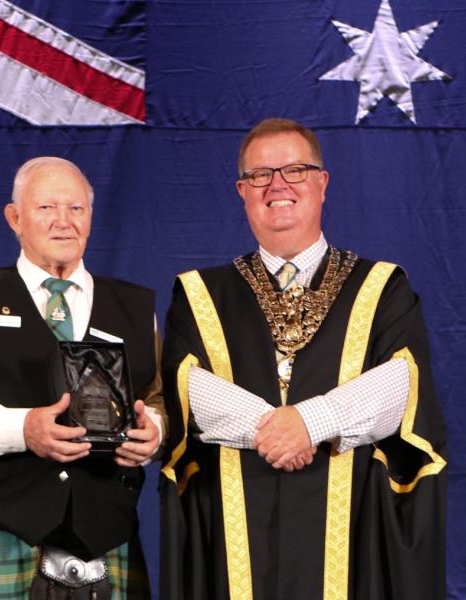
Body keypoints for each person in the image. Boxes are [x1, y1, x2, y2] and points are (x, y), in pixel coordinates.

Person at [160, 118, 447, 600]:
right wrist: (277, 429)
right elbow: (187, 387)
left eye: (295, 170)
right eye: (260, 175)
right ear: (242, 190)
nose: (277, 185)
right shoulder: (201, 293)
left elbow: (400, 384)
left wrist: (311, 422)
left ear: (322, 182)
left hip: (352, 527)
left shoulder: (381, 288)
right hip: (234, 528)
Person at [0, 157, 165, 599]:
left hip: (108, 534)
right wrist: (22, 429)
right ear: (15, 218)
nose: (63, 222)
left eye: (76, 209)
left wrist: (154, 432)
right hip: (1, 532)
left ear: (91, 218)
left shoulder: (136, 307)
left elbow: (157, 398)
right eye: (47, 208)